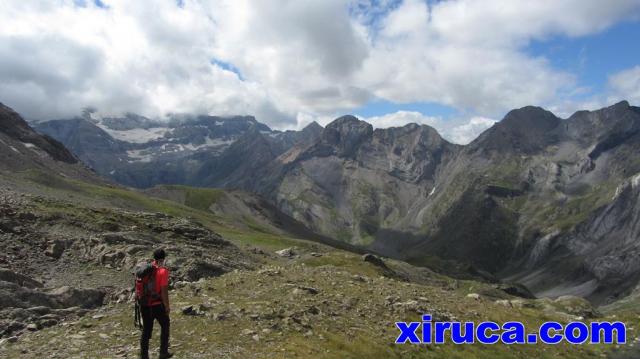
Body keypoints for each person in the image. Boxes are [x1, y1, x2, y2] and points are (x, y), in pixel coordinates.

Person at [140, 248, 173, 359]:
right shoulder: (163, 271)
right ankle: (163, 352)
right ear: (163, 259)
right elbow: (164, 291)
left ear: (154, 258)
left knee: (146, 331)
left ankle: (144, 356)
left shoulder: (146, 269)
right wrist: (167, 307)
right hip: (157, 305)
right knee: (165, 325)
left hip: (144, 305)